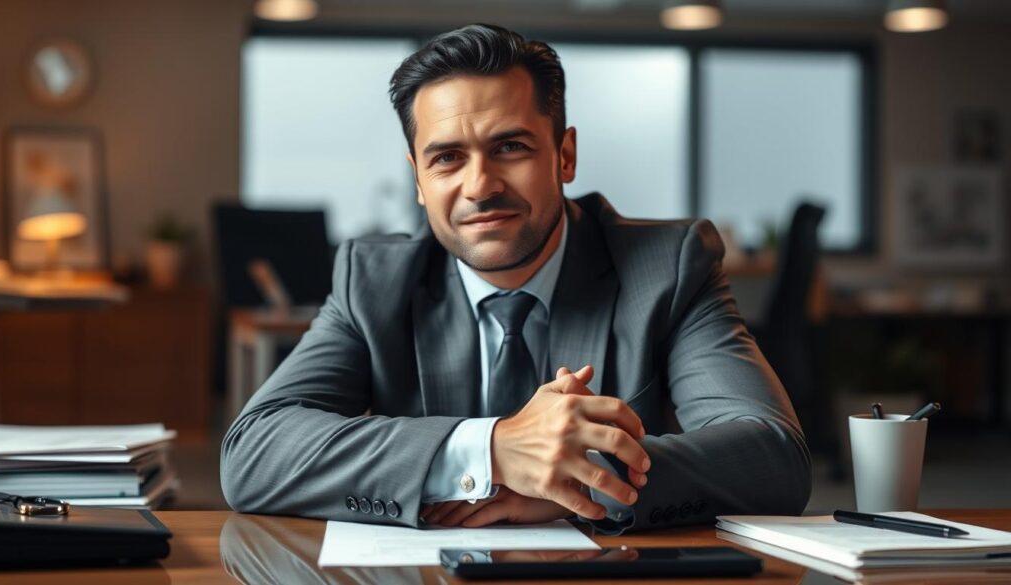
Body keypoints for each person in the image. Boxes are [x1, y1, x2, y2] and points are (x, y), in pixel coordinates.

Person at [221, 23, 810, 534]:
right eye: (447, 157)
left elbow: (771, 455)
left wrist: (571, 479)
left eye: (510, 146)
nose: (480, 186)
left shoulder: (668, 266)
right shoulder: (373, 280)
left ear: (565, 156)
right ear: (419, 180)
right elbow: (254, 453)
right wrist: (491, 451)